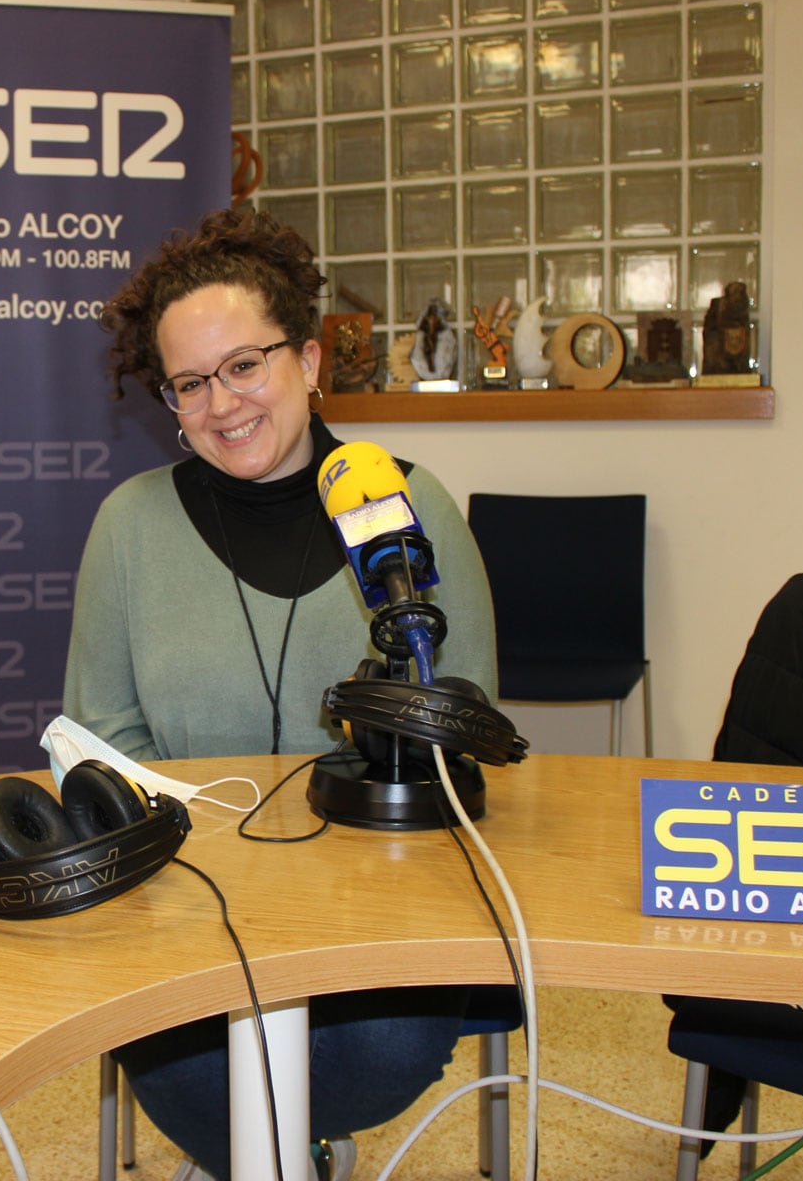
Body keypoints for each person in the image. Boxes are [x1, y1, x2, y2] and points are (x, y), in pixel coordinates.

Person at [64, 208, 499, 1179]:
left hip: (384, 923)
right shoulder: (127, 528)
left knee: (365, 1058)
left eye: (245, 366)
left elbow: (459, 734)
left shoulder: (410, 512)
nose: (221, 405)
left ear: (307, 361)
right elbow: (104, 743)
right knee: (190, 1072)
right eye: (188, 383)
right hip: (184, 917)